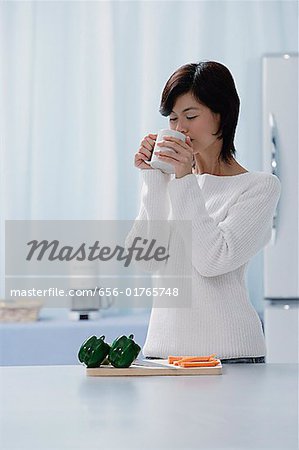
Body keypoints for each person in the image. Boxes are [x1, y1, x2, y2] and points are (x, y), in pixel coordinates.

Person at [129, 61, 281, 363]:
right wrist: (154, 178)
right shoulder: (174, 183)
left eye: (191, 115)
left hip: (230, 358)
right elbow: (144, 260)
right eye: (173, 119)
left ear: (221, 116)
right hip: (164, 355)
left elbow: (213, 260)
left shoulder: (259, 187)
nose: (180, 128)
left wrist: (183, 179)